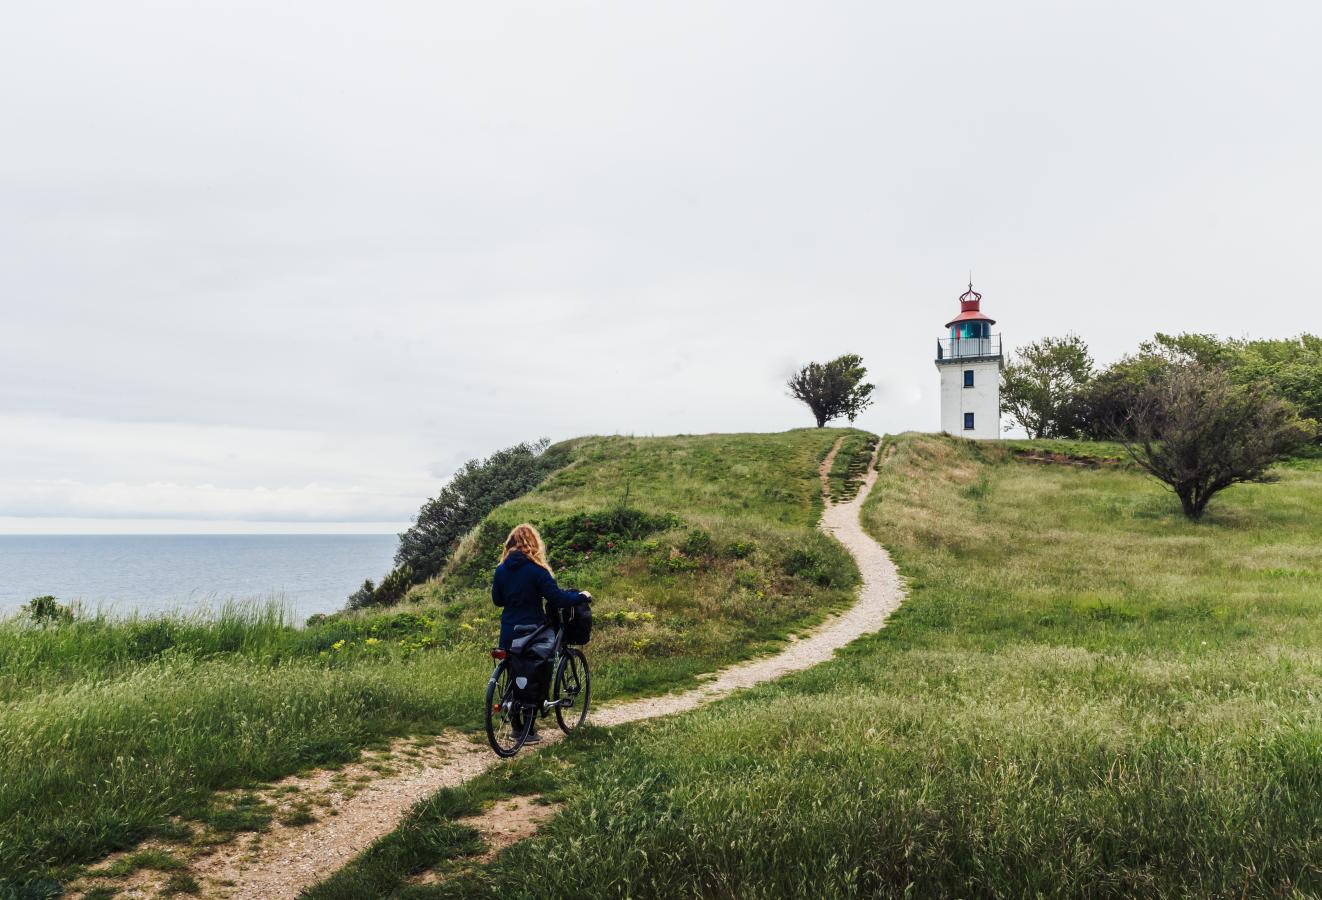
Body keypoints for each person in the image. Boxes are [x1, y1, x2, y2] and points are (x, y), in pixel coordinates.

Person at [491, 523, 589, 742]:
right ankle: (528, 729)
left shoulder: (501, 569)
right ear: (533, 544)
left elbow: (497, 600)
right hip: (532, 630)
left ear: (511, 543)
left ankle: (516, 728)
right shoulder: (537, 570)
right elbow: (558, 598)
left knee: (513, 672)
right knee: (536, 672)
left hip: (508, 629)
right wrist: (581, 596)